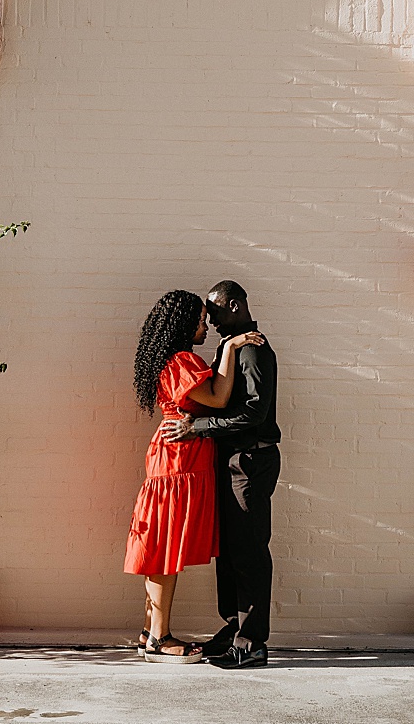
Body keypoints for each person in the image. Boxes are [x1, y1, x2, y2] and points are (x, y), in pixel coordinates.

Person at [123, 289, 264, 663]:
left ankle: (149, 631)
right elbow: (218, 398)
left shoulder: (172, 359)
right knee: (165, 549)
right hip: (179, 462)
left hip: (176, 458)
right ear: (184, 324)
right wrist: (232, 348)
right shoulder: (183, 359)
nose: (206, 325)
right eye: (201, 319)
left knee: (161, 545)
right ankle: (159, 638)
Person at [160, 280, 280, 669]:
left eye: (212, 313)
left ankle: (252, 643)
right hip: (230, 461)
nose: (208, 322)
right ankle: (233, 630)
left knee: (248, 552)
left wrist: (198, 427)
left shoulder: (252, 349)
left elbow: (254, 414)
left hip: (250, 461)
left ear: (233, 305)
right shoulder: (232, 347)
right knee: (229, 553)